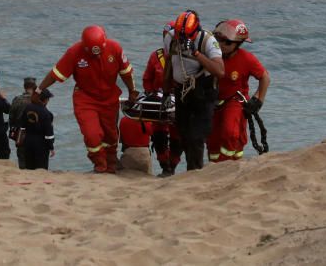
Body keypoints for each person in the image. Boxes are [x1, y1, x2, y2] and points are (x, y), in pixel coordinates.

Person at [34, 25, 138, 174]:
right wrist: (38, 90)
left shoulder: (115, 48)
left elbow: (126, 73)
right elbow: (55, 74)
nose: (96, 56)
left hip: (109, 98)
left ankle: (111, 164)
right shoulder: (74, 52)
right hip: (85, 99)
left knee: (111, 135)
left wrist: (132, 91)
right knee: (92, 135)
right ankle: (100, 165)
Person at [163, 9, 224, 171]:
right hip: (181, 91)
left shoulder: (207, 40)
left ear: (196, 31)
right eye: (179, 36)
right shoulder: (170, 38)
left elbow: (220, 71)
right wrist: (166, 92)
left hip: (203, 91)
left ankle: (195, 172)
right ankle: (192, 168)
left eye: (186, 37)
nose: (181, 40)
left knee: (197, 136)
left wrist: (196, 53)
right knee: (184, 134)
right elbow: (169, 64)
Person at [207, 19, 270, 162]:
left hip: (234, 101)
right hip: (213, 102)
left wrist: (258, 100)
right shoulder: (211, 56)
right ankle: (214, 166)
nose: (222, 45)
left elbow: (265, 77)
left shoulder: (246, 59)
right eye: (219, 40)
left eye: (227, 42)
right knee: (212, 139)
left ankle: (229, 164)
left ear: (238, 45)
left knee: (230, 132)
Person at [142, 37, 182, 176]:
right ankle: (165, 166)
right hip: (160, 102)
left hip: (179, 101)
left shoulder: (185, 56)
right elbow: (147, 79)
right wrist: (149, 94)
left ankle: (173, 164)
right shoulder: (156, 56)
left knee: (178, 135)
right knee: (159, 134)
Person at [20, 88, 55, 170]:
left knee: (29, 166)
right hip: (41, 144)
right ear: (46, 100)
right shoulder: (47, 114)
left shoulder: (28, 108)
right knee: (41, 168)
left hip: (28, 141)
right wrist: (51, 147)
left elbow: (22, 126)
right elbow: (49, 134)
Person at [8, 77, 38, 169]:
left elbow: (11, 118)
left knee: (22, 158)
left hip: (20, 134)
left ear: (24, 87)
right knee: (35, 159)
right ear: (35, 87)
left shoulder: (17, 100)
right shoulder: (38, 100)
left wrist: (14, 131)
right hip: (35, 135)